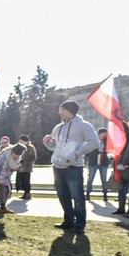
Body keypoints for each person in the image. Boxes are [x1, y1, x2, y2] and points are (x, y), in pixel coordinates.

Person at [42, 100, 100, 234]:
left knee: (78, 197)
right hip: (57, 167)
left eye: (61, 110)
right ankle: (68, 220)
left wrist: (77, 153)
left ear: (69, 111)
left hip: (73, 167)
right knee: (63, 196)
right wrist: (47, 143)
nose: (59, 112)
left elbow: (94, 142)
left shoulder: (84, 126)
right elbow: (54, 146)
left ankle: (79, 224)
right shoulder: (58, 127)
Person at [0, 143, 25, 214]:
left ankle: (3, 207)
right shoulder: (5, 154)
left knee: (7, 191)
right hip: (0, 175)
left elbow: (13, 167)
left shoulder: (16, 157)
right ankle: (2, 208)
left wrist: (19, 164)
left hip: (6, 176)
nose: (17, 157)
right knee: (3, 190)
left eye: (18, 155)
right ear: (13, 152)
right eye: (16, 155)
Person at [85, 127, 110, 201]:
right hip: (93, 162)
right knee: (90, 179)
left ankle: (105, 195)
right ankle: (88, 194)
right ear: (100, 133)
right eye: (104, 132)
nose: (105, 134)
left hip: (103, 162)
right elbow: (87, 149)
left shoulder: (107, 141)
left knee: (104, 179)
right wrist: (88, 157)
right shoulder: (93, 140)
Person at [16, 135, 37, 199]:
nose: (20, 142)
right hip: (19, 167)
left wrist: (24, 161)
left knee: (26, 181)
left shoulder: (30, 147)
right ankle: (24, 193)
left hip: (27, 167)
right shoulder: (19, 147)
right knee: (20, 181)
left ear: (26, 141)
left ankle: (27, 193)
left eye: (21, 141)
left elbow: (33, 157)